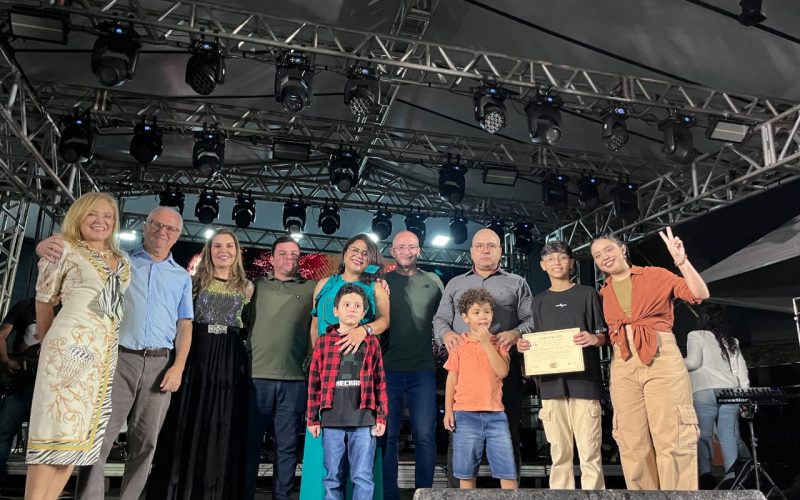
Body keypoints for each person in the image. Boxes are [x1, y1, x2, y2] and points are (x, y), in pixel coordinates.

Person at [37, 205, 194, 500]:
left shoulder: (182, 277)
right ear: (145, 226)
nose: (162, 232)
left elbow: (184, 324)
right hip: (117, 359)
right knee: (99, 438)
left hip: (160, 365)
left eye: (170, 229)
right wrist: (43, 245)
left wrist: (179, 367)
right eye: (156, 224)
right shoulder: (119, 261)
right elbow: (79, 248)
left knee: (146, 443)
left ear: (178, 235)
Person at [25, 192, 131, 500]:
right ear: (78, 217)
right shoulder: (64, 248)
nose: (101, 221)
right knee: (52, 435)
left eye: (108, 216)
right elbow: (44, 301)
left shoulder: (123, 261)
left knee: (77, 441)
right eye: (92, 214)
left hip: (101, 359)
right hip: (68, 351)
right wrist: (51, 347)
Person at [590, 228, 709, 490]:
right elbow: (608, 334)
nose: (604, 257)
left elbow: (699, 293)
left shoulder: (656, 275)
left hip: (661, 357)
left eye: (609, 249)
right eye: (597, 255)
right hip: (623, 363)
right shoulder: (603, 293)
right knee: (631, 440)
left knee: (672, 435)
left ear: (622, 249)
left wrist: (681, 260)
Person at [147, 229, 254, 499]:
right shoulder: (192, 282)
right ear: (208, 251)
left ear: (236, 251)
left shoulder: (248, 287)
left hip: (229, 359)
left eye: (229, 246)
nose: (223, 251)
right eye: (217, 246)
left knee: (223, 421)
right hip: (197, 354)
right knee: (189, 418)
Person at [433, 228, 534, 485]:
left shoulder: (517, 282)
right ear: (471, 251)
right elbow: (440, 319)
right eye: (479, 245)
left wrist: (516, 332)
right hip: (464, 367)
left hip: (503, 365)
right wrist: (446, 334)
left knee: (509, 433)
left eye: (491, 246)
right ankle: (459, 491)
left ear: (500, 251)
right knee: (459, 438)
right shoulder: (455, 284)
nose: (485, 250)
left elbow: (532, 319)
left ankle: (509, 488)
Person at [299, 234, 390, 500]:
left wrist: (364, 330)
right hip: (329, 384)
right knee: (328, 468)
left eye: (365, 252)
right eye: (354, 250)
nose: (359, 255)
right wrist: (314, 360)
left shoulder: (375, 286)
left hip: (358, 389)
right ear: (344, 253)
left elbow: (385, 321)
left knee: (362, 471)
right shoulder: (324, 284)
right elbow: (315, 325)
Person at [515, 241, 607, 490]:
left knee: (590, 452)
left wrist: (594, 338)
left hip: (585, 384)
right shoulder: (537, 302)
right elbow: (534, 340)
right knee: (559, 453)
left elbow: (603, 334)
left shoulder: (588, 294)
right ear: (542, 265)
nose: (557, 263)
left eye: (562, 257)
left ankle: (594, 495)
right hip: (551, 386)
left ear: (572, 263)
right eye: (551, 259)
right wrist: (525, 346)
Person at [244, 236, 316, 500]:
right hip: (256, 378)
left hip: (294, 379)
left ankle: (282, 497)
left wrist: (378, 281)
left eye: (294, 254)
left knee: (287, 448)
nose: (289, 258)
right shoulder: (255, 287)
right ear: (272, 258)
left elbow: (344, 287)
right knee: (249, 446)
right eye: (283, 253)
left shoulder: (312, 289)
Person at [381, 231, 443, 499]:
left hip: (423, 370)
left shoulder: (433, 281)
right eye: (401, 247)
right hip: (388, 368)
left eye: (412, 246)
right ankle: (389, 494)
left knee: (425, 435)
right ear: (392, 251)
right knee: (388, 436)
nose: (406, 251)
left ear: (419, 250)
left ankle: (424, 494)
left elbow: (446, 319)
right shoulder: (382, 282)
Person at [443, 288, 517, 490]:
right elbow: (452, 379)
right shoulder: (459, 345)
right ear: (465, 317)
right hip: (465, 414)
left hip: (496, 415)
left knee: (507, 472)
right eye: (476, 312)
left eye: (487, 311)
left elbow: (502, 371)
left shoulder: (499, 343)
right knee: (466, 473)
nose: (483, 316)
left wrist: (486, 342)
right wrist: (448, 410)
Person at [684, 306, 749, 487]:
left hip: (704, 389)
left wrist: (670, 362)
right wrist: (744, 395)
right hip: (730, 390)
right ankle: (731, 476)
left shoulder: (695, 335)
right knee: (727, 434)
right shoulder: (731, 341)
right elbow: (741, 371)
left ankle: (706, 473)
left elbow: (693, 362)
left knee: (703, 434)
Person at [0, 297, 39, 482]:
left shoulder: (68, 306)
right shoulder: (25, 305)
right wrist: (5, 360)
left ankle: (43, 487)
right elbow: (2, 334)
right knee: (5, 429)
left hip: (50, 383)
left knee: (46, 437)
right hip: (23, 380)